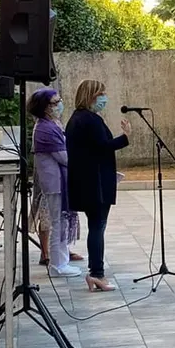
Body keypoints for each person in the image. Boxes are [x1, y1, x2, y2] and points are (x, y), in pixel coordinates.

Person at [66, 80, 131, 292]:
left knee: (95, 226)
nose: (104, 98)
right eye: (101, 94)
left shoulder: (77, 119)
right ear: (92, 96)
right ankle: (97, 274)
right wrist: (125, 137)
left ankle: (96, 273)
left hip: (86, 182)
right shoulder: (90, 120)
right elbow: (102, 147)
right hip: (95, 184)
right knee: (97, 227)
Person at [28, 89, 82, 278]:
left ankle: (62, 261)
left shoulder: (52, 124)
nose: (59, 104)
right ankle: (58, 265)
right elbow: (63, 157)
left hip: (60, 181)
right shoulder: (45, 128)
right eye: (55, 102)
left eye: (59, 100)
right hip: (55, 182)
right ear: (44, 107)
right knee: (58, 223)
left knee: (62, 222)